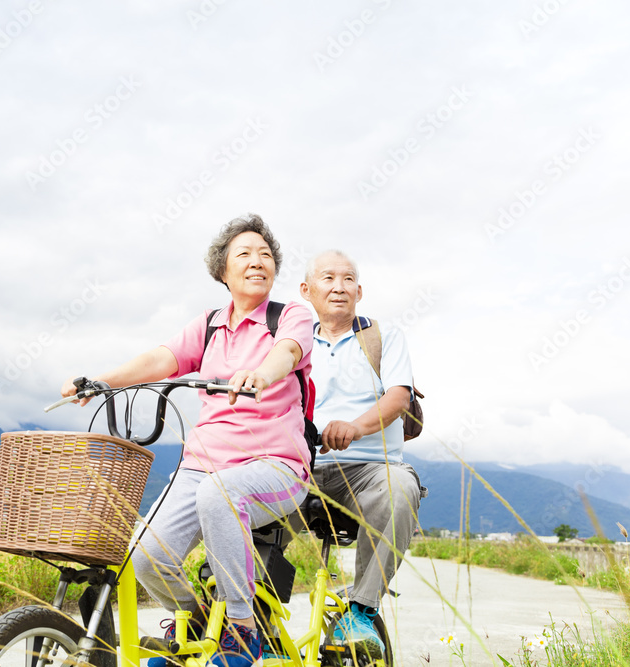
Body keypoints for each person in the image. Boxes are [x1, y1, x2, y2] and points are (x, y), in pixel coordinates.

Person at [61, 214, 314, 667]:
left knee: (221, 494)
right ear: (222, 270)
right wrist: (101, 380)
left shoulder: (289, 316)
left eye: (266, 254)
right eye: (245, 254)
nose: (258, 261)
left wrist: (261, 373)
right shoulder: (211, 323)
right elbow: (164, 358)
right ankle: (197, 621)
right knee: (145, 555)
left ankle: (240, 629)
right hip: (203, 464)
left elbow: (288, 351)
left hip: (276, 465)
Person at [298, 249, 425, 658]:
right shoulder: (291, 343)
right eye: (327, 278)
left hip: (370, 468)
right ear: (306, 290)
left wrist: (355, 427)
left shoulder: (384, 338)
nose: (339, 286)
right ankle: (242, 613)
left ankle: (362, 608)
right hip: (301, 467)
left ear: (360, 290)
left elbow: (398, 397)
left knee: (400, 487)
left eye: (348, 278)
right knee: (235, 491)